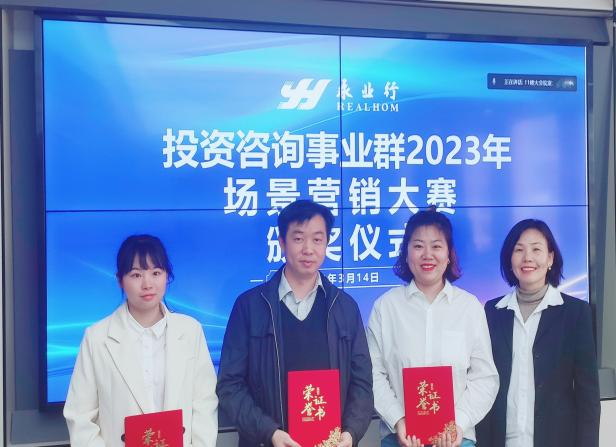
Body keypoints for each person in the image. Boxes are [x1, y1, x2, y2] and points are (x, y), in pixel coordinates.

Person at [216, 199, 373, 447]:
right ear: (282, 242)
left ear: (327, 243)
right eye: (298, 238)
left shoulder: (345, 307)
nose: (308, 249)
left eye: (317, 239)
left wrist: (351, 433)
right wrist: (270, 433)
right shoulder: (249, 306)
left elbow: (362, 383)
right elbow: (230, 385)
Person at [63, 234, 218, 447]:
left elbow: (204, 404)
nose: (147, 284)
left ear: (167, 276)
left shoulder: (190, 331)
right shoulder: (97, 337)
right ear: (120, 280)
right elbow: (80, 416)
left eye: (156, 273)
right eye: (136, 275)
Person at [367, 208, 498, 447]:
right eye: (418, 246)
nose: (427, 255)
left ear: (449, 255)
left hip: (456, 439)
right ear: (406, 253)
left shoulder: (469, 307)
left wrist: (458, 423)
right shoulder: (385, 307)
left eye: (436, 246)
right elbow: (373, 374)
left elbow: (484, 378)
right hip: (399, 438)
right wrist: (398, 419)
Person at [475, 219, 600, 447]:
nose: (527, 258)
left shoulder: (575, 313)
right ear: (509, 259)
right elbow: (482, 381)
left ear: (550, 258)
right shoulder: (492, 312)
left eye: (536, 249)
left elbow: (587, 395)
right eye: (519, 250)